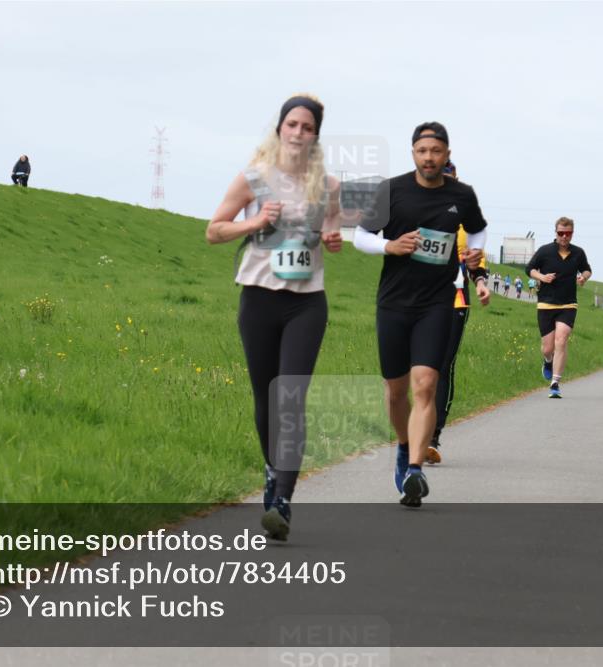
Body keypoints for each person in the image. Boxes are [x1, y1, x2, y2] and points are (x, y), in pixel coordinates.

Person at [205, 94, 343, 540]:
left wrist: (332, 238)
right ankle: (272, 470)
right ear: (280, 128)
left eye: (307, 127)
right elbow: (214, 230)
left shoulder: (328, 186)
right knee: (266, 400)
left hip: (306, 302)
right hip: (259, 299)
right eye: (292, 124)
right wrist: (253, 223)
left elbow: (331, 231)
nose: (299, 133)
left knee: (290, 399)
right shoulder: (254, 177)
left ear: (316, 135)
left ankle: (282, 499)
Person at [354, 121, 487, 507]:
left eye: (436, 151)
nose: (429, 158)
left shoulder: (462, 195)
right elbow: (359, 236)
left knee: (425, 385)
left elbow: (477, 232)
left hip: (437, 303)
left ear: (447, 155)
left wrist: (474, 254)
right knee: (395, 392)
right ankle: (404, 444)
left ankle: (415, 469)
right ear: (413, 153)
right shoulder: (391, 190)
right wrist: (389, 246)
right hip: (394, 303)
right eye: (422, 151)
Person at [427, 162, 491, 465]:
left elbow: (477, 262)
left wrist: (479, 282)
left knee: (441, 367)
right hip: (419, 300)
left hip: (454, 300)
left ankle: (432, 436)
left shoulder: (467, 221)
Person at [526, 217, 592, 398]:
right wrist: (542, 277)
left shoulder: (578, 253)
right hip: (546, 303)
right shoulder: (545, 251)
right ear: (555, 233)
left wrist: (583, 278)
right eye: (561, 233)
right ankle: (547, 361)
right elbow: (529, 269)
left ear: (572, 233)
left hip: (568, 303)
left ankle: (555, 383)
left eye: (568, 233)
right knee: (548, 348)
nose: (564, 236)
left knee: (561, 340)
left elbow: (587, 269)